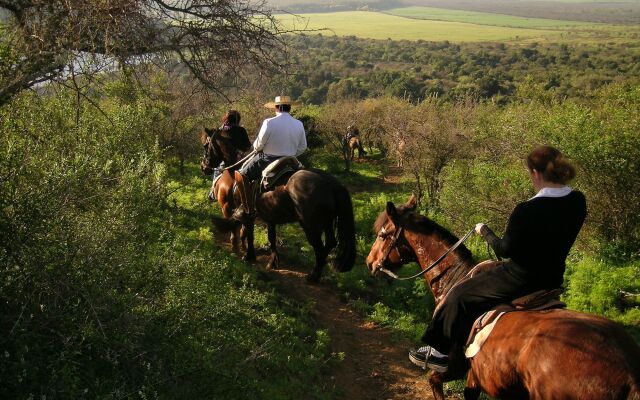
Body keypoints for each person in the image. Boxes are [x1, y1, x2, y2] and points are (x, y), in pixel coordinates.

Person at [409, 145, 587, 372]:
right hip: (552, 278)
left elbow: (505, 250)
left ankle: (438, 353)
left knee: (458, 295)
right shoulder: (578, 201)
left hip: (520, 277)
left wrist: (485, 232)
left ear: (534, 173)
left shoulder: (526, 210)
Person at [235, 95, 307, 217]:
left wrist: (259, 148)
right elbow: (303, 147)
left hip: (268, 159)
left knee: (241, 175)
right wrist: (290, 153)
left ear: (276, 108)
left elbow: (258, 146)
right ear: (289, 108)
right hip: (291, 160)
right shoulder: (298, 123)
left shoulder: (269, 122)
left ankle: (249, 209)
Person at [208, 110, 251, 201]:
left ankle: (212, 191)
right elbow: (248, 146)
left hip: (227, 163)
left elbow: (216, 151)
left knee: (217, 172)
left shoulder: (219, 131)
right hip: (242, 161)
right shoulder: (241, 130)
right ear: (237, 120)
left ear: (225, 119)